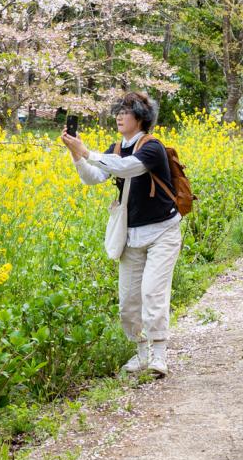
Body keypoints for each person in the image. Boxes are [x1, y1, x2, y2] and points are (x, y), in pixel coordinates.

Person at [61, 91, 183, 377]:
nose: (119, 116)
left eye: (126, 112)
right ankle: (141, 354)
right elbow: (92, 177)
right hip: (131, 234)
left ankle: (160, 356)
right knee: (128, 300)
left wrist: (87, 152)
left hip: (163, 232)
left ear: (140, 118)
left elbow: (128, 169)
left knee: (153, 292)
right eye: (118, 111)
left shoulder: (151, 147)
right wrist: (75, 154)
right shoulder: (116, 147)